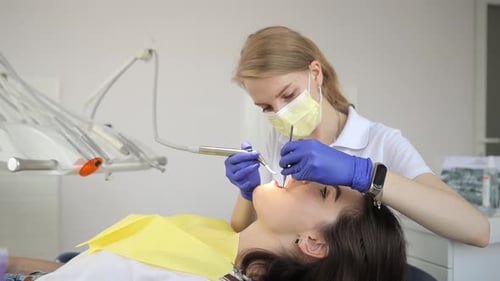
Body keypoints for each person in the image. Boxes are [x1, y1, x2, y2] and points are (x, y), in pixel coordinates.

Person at [225, 25, 490, 247]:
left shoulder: (382, 141)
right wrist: (249, 193)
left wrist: (365, 174)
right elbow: (247, 231)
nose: (281, 114)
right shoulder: (281, 139)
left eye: (289, 95)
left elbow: (477, 230)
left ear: (315, 74)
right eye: (267, 107)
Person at [5, 180, 406, 281]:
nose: (302, 175)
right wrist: (12, 262)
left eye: (322, 190)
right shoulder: (220, 243)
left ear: (315, 242)